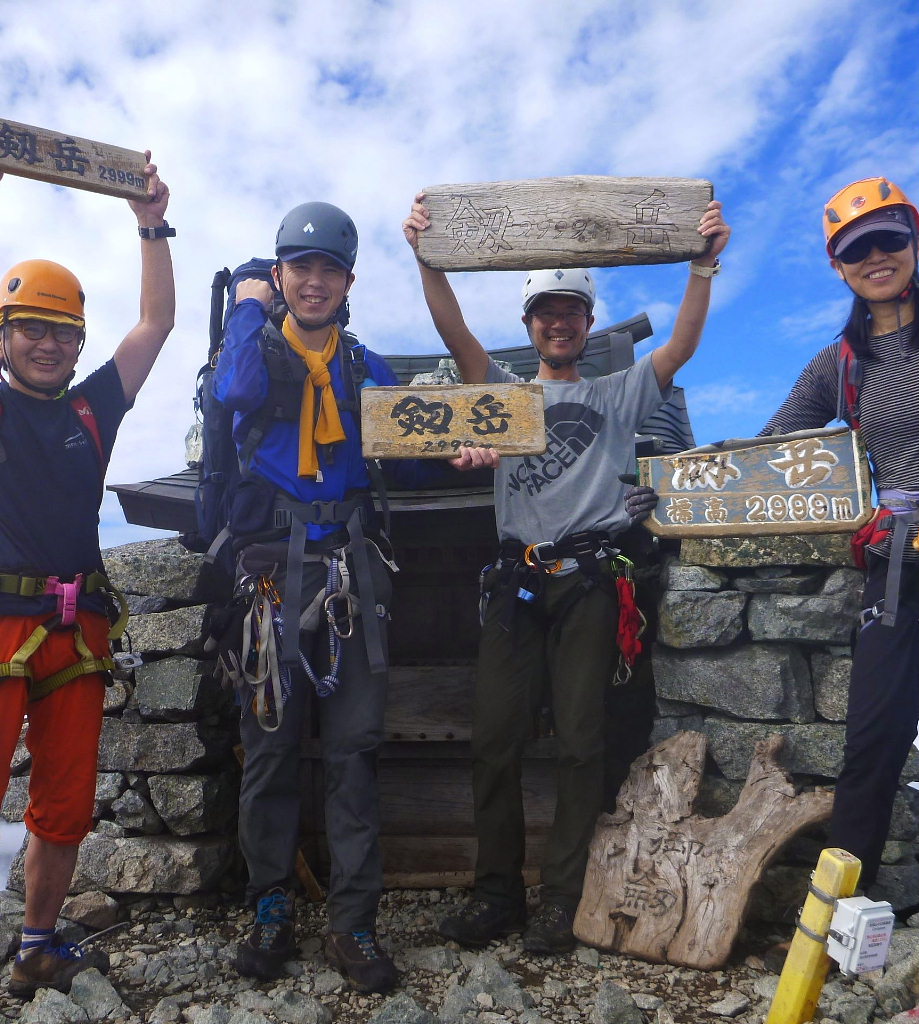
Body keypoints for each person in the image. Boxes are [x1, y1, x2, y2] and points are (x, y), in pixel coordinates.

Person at [403, 193, 731, 952]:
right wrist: (427, 259)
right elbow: (453, 332)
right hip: (515, 581)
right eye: (546, 313)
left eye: (571, 313)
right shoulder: (499, 394)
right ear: (529, 325)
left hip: (588, 580)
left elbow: (679, 346)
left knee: (582, 742)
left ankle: (562, 897)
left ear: (586, 324)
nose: (558, 323)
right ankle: (496, 894)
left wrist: (703, 266)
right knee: (494, 741)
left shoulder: (615, 394)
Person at [213, 201, 494, 993]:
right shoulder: (253, 349)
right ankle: (270, 906)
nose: (314, 282)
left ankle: (352, 922)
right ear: (279, 275)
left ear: (348, 282)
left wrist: (455, 456)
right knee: (270, 750)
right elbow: (233, 390)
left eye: (328, 270)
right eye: (298, 268)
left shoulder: (368, 371)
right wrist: (245, 305)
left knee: (353, 753)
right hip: (270, 579)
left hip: (349, 576)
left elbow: (404, 460)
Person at [0, 156, 174, 999]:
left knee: (66, 801)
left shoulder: (91, 406)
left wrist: (150, 223)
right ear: (4, 334)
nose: (48, 343)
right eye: (31, 327)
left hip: (78, 629)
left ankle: (36, 945)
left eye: (63, 332)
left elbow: (155, 323)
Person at [757, 177, 919, 891]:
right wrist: (672, 490)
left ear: (913, 240)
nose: (875, 257)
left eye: (889, 239)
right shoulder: (840, 364)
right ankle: (835, 915)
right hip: (898, 562)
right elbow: (768, 446)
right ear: (838, 266)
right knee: (872, 741)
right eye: (857, 249)